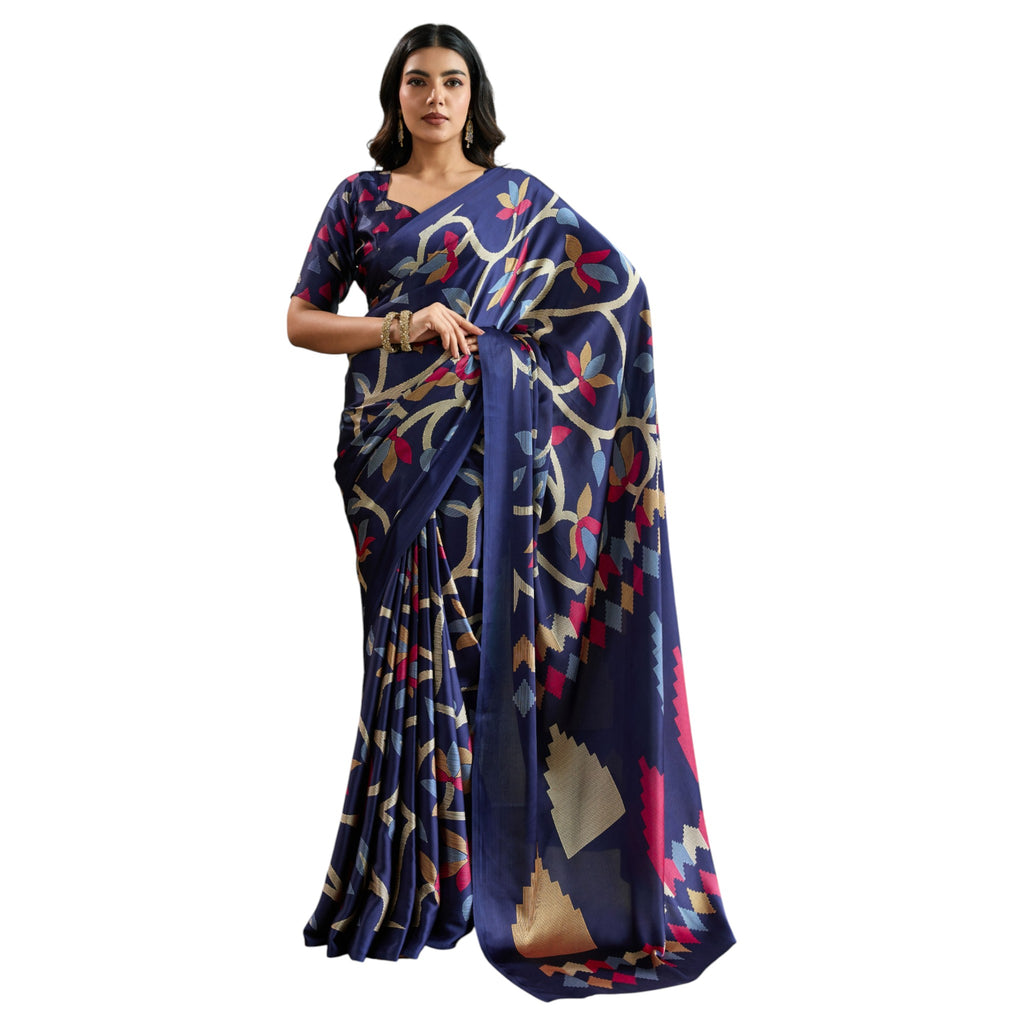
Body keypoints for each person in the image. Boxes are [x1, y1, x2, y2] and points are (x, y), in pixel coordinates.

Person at [287, 23, 735, 1002]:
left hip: (493, 455)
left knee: (485, 651)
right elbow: (301, 319)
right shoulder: (358, 199)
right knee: (405, 658)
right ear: (394, 95)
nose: (434, 97)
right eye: (417, 81)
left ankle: (486, 875)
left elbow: (614, 293)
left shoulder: (519, 200)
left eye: (451, 81)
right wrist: (401, 324)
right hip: (390, 457)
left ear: (472, 95)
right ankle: (414, 882)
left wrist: (502, 354)